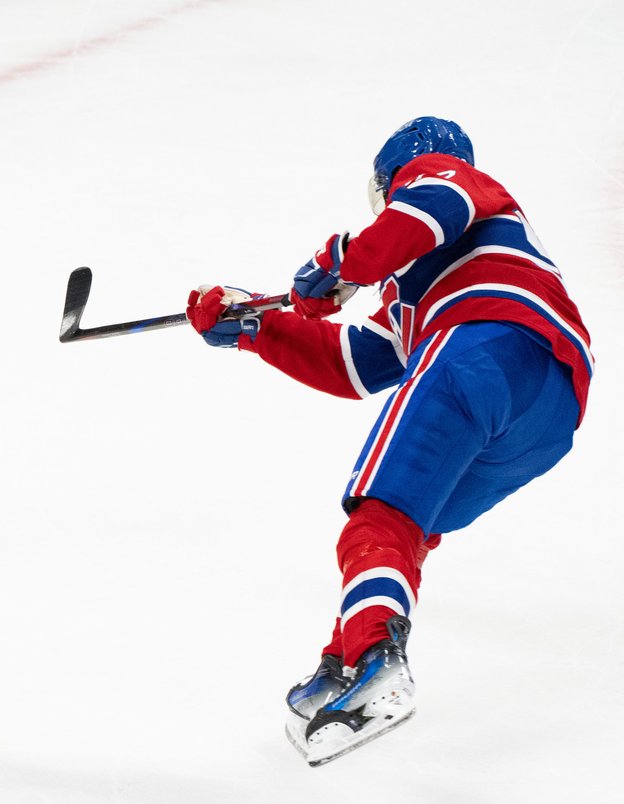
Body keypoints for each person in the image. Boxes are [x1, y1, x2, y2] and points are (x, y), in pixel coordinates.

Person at [185, 117, 592, 766]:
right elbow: (358, 363)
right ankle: (348, 653)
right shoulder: (429, 279)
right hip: (550, 410)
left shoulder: (442, 178)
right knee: (405, 526)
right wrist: (255, 328)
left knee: (377, 517)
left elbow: (428, 207)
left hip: (485, 347)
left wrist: (340, 259)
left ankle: (378, 659)